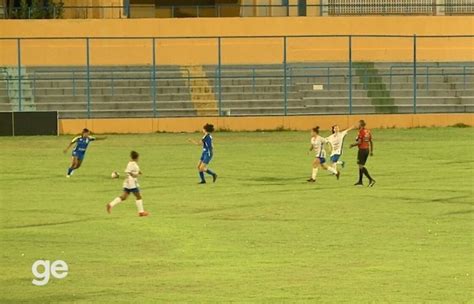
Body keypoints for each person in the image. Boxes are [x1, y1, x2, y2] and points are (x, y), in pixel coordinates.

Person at [106, 151, 149, 217]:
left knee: (124, 197)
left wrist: (138, 172)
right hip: (132, 183)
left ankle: (110, 205)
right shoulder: (134, 165)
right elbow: (131, 173)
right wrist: (135, 174)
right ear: (137, 158)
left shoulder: (130, 163)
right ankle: (141, 212)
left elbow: (130, 171)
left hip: (127, 182)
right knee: (138, 196)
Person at [350, 120, 376, 187]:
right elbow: (371, 141)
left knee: (361, 166)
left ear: (361, 125)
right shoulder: (367, 131)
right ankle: (360, 181)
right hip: (367, 150)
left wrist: (352, 145)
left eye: (358, 124)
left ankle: (371, 180)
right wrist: (371, 151)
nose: (357, 125)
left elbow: (359, 142)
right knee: (360, 165)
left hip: (362, 150)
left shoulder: (361, 132)